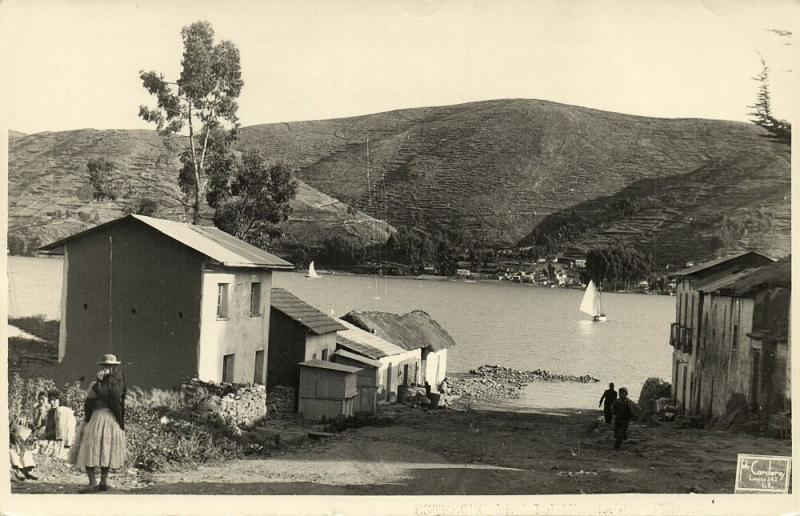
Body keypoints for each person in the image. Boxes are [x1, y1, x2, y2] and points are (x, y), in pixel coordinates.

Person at [70, 354, 127, 493]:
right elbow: (120, 403)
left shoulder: (97, 385)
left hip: (100, 418)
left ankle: (97, 482)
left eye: (109, 366)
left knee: (92, 449)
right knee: (102, 449)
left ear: (113, 368)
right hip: (110, 419)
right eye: (106, 366)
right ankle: (99, 481)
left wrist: (97, 382)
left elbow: (89, 402)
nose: (107, 368)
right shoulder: (118, 384)